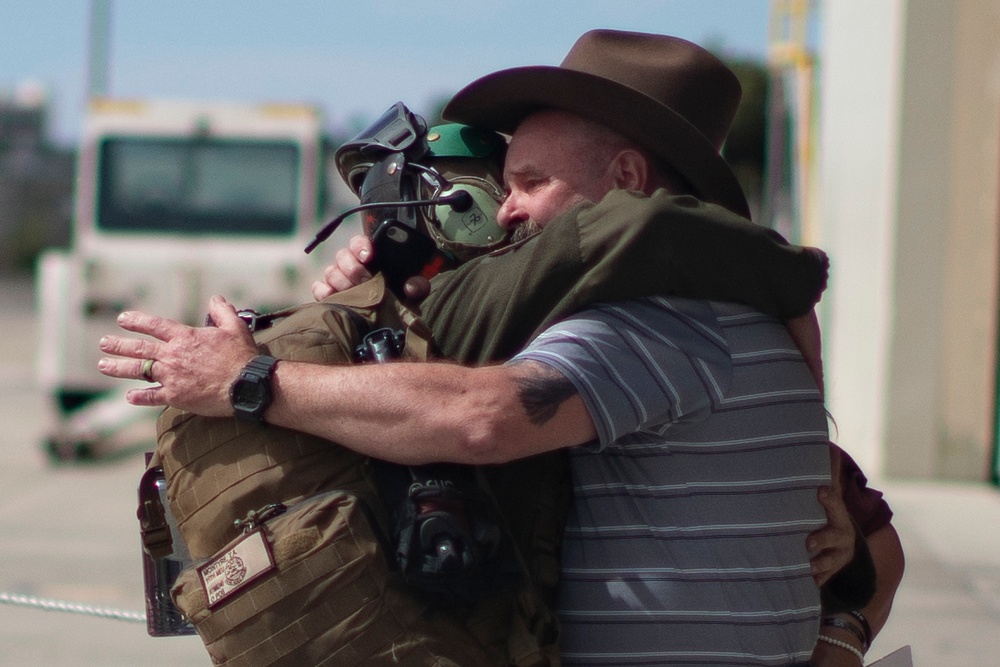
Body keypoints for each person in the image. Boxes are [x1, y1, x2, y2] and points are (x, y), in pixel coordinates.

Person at [98, 31, 885, 666]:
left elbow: (482, 416)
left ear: (628, 177)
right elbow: (875, 541)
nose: (505, 213)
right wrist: (382, 307)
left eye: (531, 182)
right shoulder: (737, 305)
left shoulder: (660, 320)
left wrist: (250, 379)